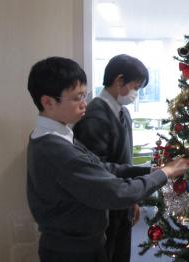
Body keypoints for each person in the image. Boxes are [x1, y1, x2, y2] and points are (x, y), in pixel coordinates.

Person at [26, 56, 189, 262]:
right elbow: (117, 191)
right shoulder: (56, 150)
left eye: (84, 95)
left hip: (84, 242)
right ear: (48, 101)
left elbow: (100, 167)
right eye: (77, 97)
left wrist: (149, 171)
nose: (84, 103)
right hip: (73, 251)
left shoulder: (59, 136)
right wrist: (165, 173)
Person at [74, 54, 149, 262]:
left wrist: (133, 198)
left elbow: (126, 160)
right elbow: (96, 170)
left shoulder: (123, 113)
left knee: (121, 253)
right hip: (104, 210)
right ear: (119, 80)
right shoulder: (95, 116)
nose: (136, 93)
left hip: (122, 201)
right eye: (135, 87)